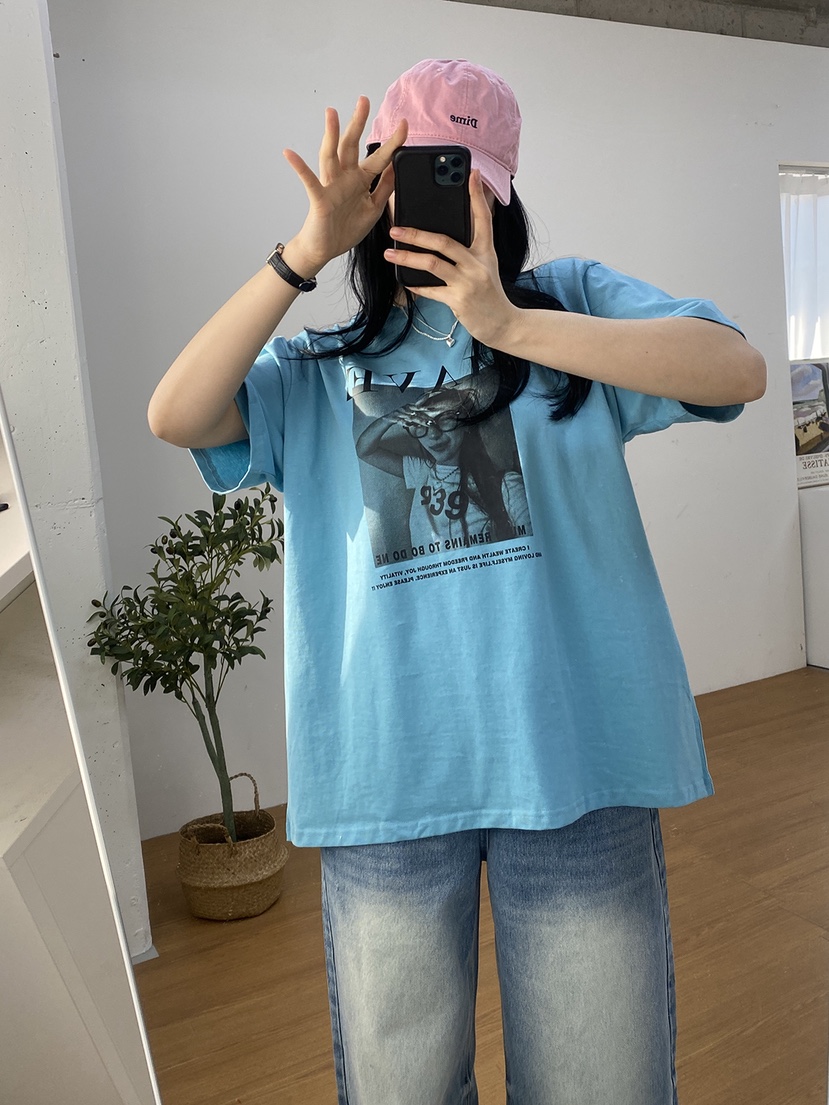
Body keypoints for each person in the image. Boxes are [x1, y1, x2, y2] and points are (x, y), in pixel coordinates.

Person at [148, 58, 766, 1105]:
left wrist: (508, 324)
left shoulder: (571, 306)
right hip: (389, 772)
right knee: (402, 1089)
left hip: (573, 758)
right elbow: (175, 413)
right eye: (413, 176)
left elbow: (735, 370)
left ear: (501, 193)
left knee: (600, 1083)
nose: (442, 202)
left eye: (465, 177)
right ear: (374, 188)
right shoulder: (317, 366)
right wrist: (305, 252)